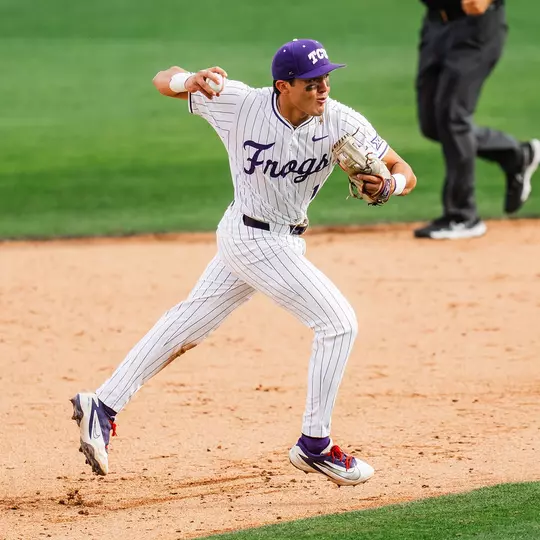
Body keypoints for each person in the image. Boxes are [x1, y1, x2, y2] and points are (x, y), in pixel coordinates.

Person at [71, 38, 417, 487]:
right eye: (312, 83)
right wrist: (187, 80)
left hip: (281, 240)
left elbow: (404, 169)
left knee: (188, 324)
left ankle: (103, 404)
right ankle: (315, 445)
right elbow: (162, 80)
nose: (323, 89)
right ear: (283, 86)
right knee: (339, 323)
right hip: (251, 237)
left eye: (327, 79)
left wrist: (388, 185)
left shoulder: (340, 121)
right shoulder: (239, 103)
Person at [414, 0, 540, 240]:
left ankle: (463, 215)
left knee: (453, 118)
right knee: (432, 124)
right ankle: (516, 155)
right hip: (435, 24)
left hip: (474, 26)